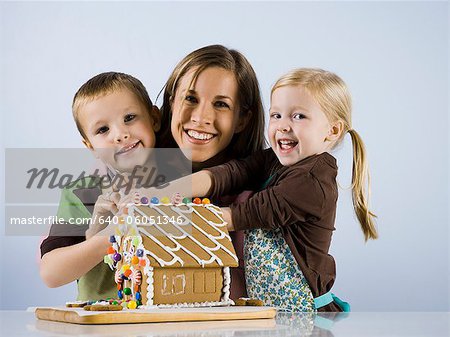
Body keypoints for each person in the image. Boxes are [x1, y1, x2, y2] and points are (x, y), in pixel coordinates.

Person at [142, 68, 378, 311]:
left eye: (298, 117)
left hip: (305, 313)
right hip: (269, 312)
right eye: (276, 115)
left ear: (333, 130)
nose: (283, 126)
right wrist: (168, 189)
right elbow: (231, 173)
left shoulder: (312, 180)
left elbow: (244, 215)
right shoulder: (274, 159)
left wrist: (160, 217)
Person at [156, 44, 266, 299]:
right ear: (172, 101)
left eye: (221, 104)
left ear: (242, 119)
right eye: (191, 99)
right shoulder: (126, 170)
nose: (201, 117)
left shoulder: (257, 197)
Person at [39, 72, 161, 300]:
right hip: (103, 323)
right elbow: (50, 274)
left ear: (154, 118)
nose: (121, 135)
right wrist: (109, 235)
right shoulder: (83, 192)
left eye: (130, 117)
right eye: (103, 130)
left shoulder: (182, 180)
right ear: (90, 146)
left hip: (170, 319)